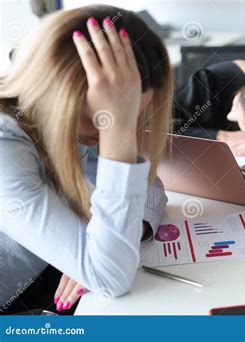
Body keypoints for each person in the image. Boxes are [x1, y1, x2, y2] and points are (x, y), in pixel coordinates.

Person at [0, 5, 172, 314]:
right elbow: (109, 277)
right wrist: (97, 257)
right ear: (59, 93)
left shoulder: (71, 124)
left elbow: (149, 186)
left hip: (39, 277)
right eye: (105, 117)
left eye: (132, 115)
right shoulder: (5, 144)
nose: (124, 131)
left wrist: (126, 231)